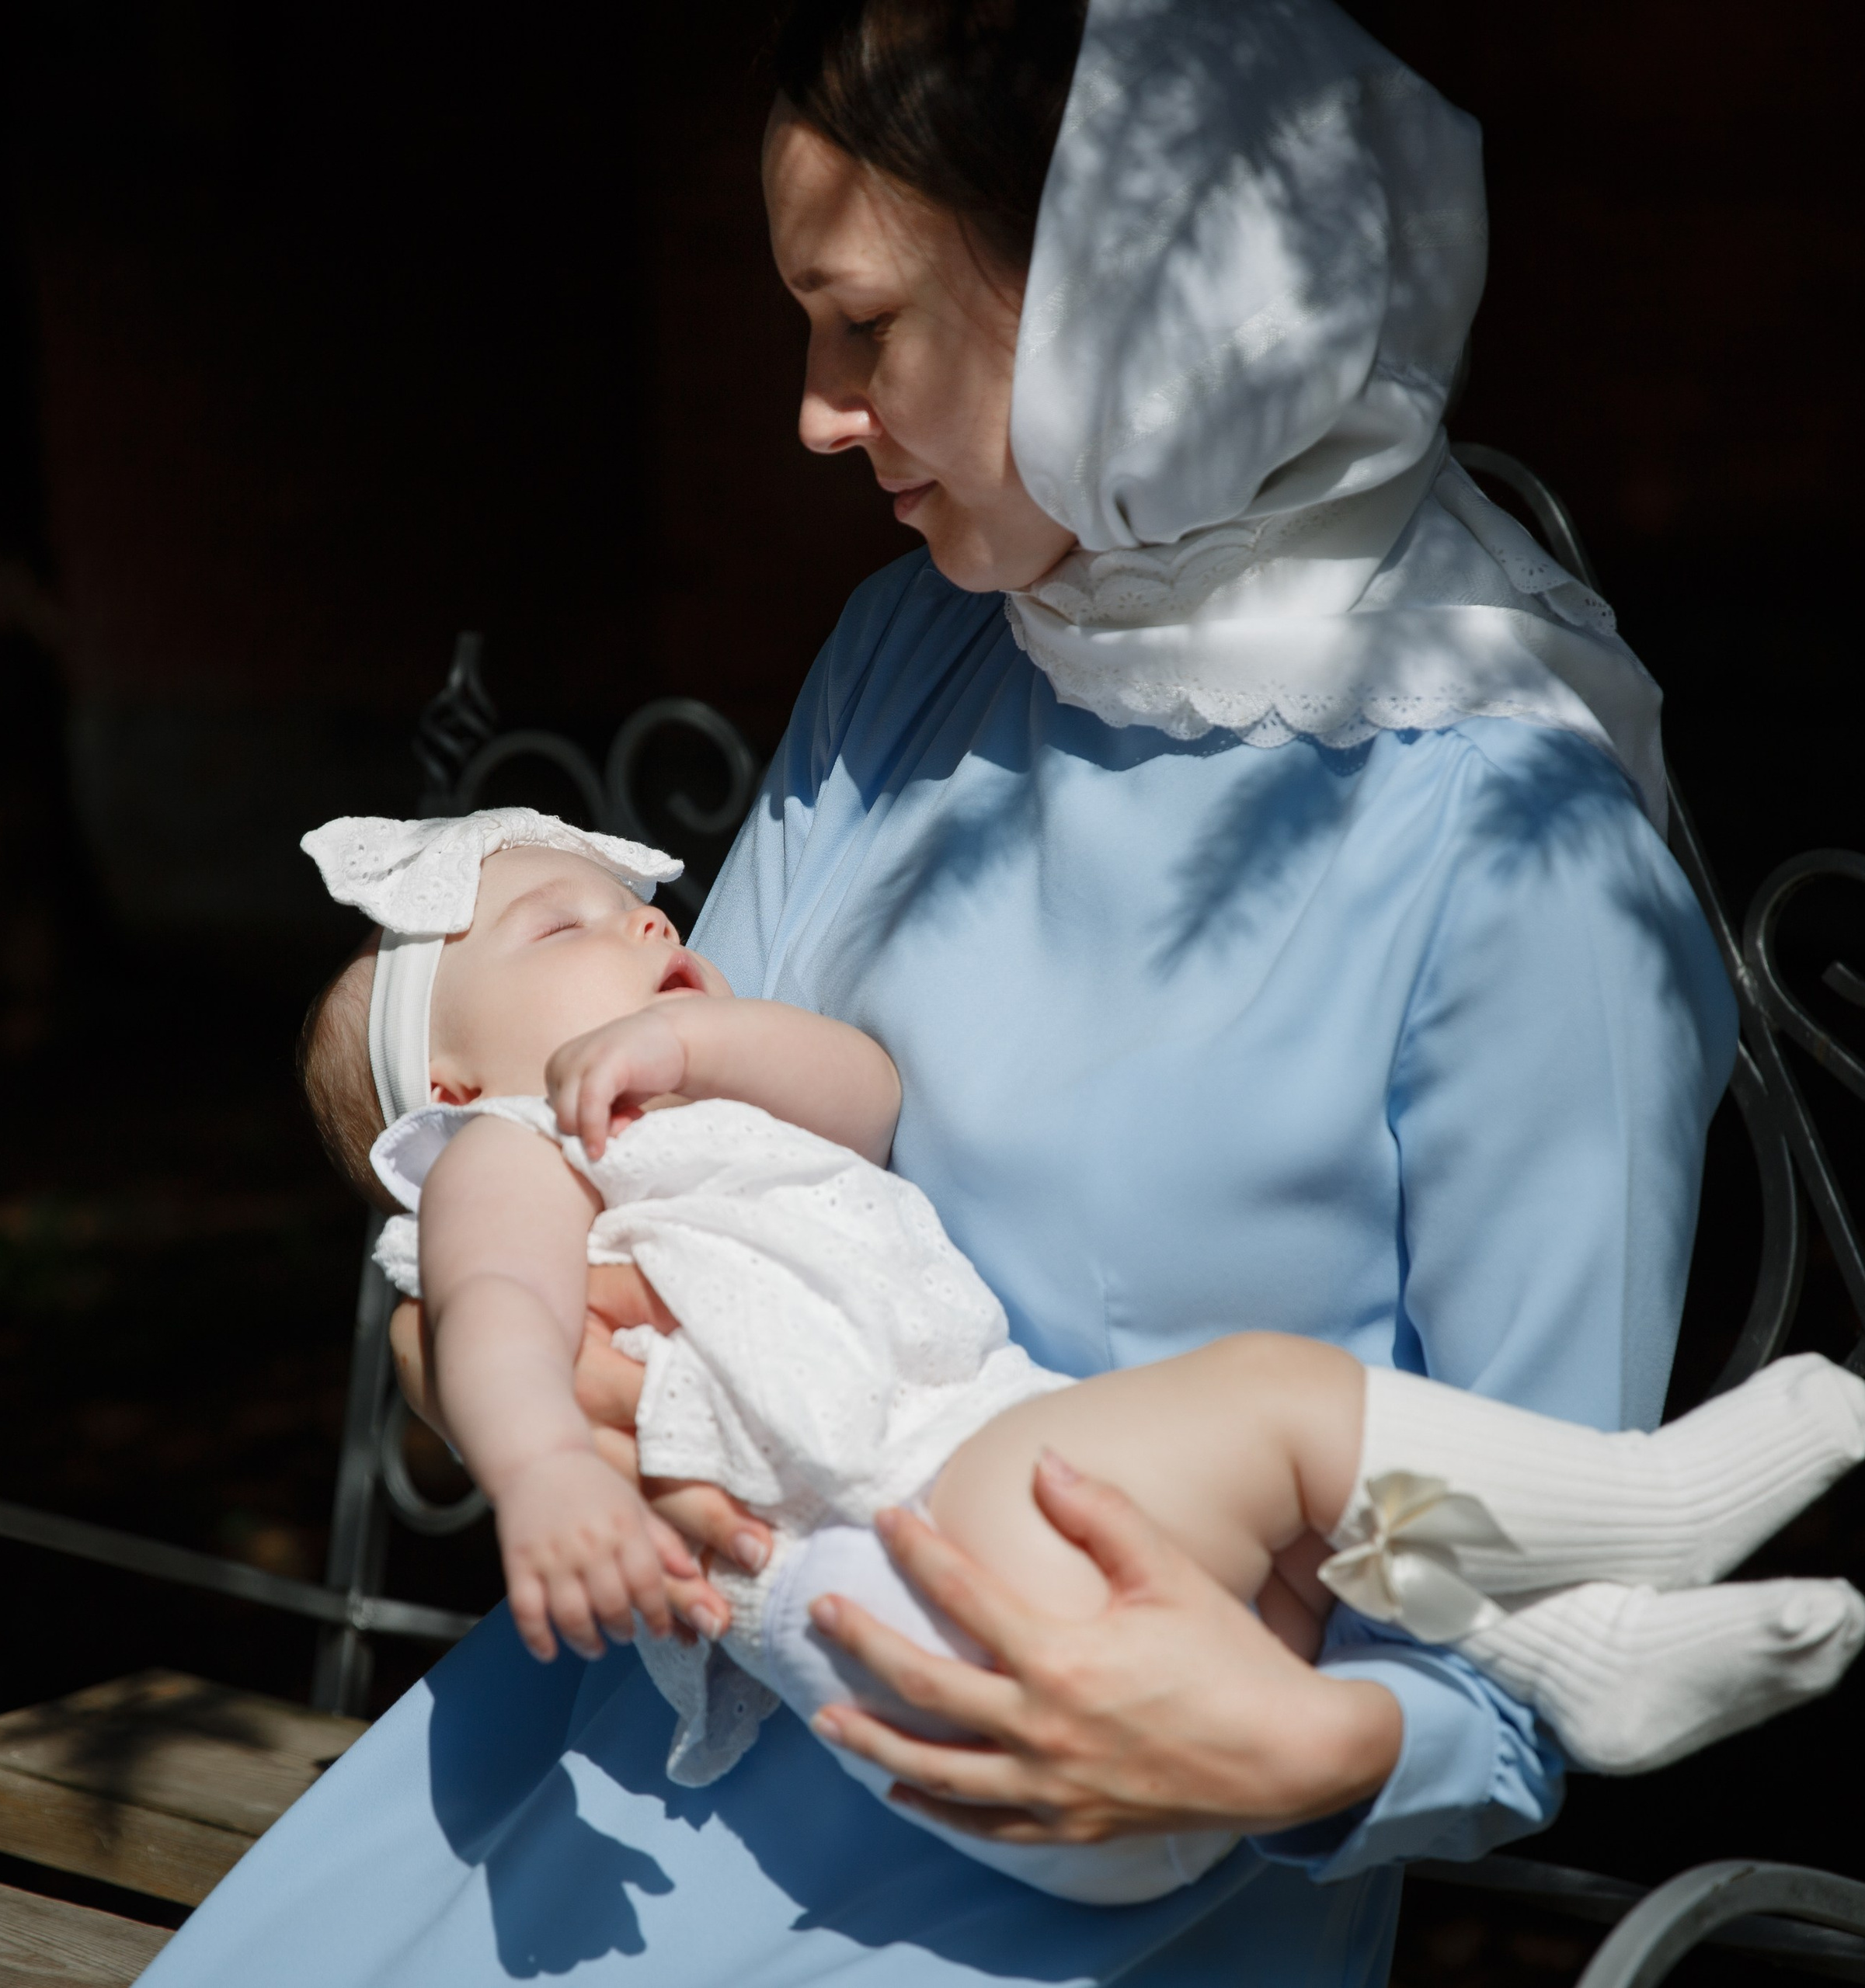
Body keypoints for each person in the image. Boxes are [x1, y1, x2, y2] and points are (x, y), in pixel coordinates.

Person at [137, 1, 1751, 1981]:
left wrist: (1304, 1740)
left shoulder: (1515, 853)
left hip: (1071, 1854)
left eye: (865, 326)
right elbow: (605, 1142)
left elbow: (1521, 1605)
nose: (810, 412)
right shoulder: (921, 647)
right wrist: (476, 1365)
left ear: (1130, 302)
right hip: (639, 1726)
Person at [289, 802, 1859, 1910]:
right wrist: (544, 1459)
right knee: (1260, 1400)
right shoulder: (500, 1149)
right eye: (563, 923)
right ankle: (1641, 1505)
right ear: (446, 1072)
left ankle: (1567, 1650)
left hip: (1094, 1688)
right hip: (937, 1592)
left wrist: (698, 1040)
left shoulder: (691, 1118)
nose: (641, 919)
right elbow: (494, 1310)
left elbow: (863, 1089)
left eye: (639, 903)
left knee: (1306, 1530)